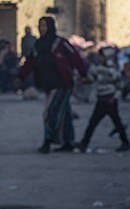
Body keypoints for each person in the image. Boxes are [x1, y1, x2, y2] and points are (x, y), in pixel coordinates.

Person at [17, 16, 87, 153]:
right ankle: (68, 142)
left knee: (49, 113)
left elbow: (75, 57)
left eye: (44, 26)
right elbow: (30, 62)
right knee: (64, 113)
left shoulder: (61, 43)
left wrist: (83, 74)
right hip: (47, 84)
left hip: (62, 83)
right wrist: (20, 76)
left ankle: (47, 141)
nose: (42, 29)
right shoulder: (38, 45)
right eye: (40, 26)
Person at [77, 47, 130, 153]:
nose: (99, 58)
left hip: (109, 99)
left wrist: (114, 97)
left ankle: (84, 143)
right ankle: (84, 143)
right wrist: (84, 80)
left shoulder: (113, 70)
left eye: (101, 56)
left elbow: (120, 86)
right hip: (101, 98)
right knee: (109, 122)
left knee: (100, 122)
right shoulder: (96, 68)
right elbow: (92, 78)